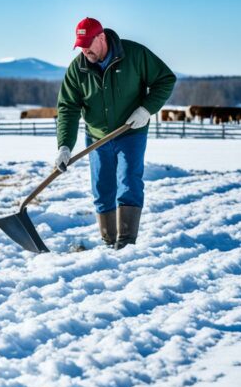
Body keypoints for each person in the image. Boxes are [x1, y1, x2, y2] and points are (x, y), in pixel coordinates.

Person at [55, 17, 176, 249]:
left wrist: (146, 109)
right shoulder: (77, 69)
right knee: (102, 188)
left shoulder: (134, 54)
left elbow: (165, 79)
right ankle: (108, 241)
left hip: (131, 131)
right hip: (97, 136)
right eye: (80, 45)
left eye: (88, 44)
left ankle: (126, 242)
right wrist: (64, 146)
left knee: (129, 182)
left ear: (101, 38)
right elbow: (68, 108)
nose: (84, 50)